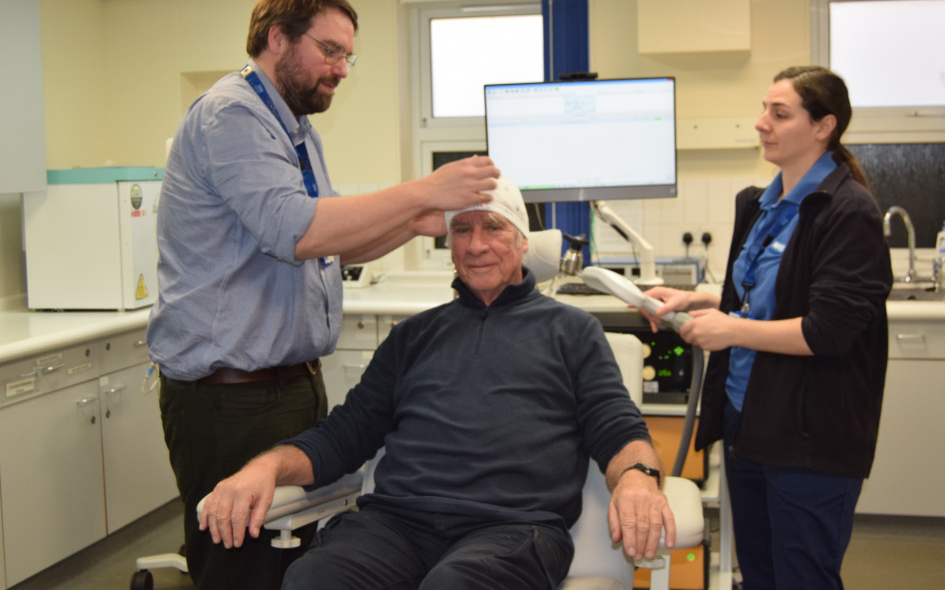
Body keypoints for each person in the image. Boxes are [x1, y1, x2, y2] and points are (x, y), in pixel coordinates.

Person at [147, 0, 499, 590]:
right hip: (229, 398)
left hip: (287, 389)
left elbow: (334, 241)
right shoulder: (232, 114)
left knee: (293, 561)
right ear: (276, 37)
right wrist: (423, 190)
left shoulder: (296, 131)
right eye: (330, 51)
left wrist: (419, 223)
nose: (340, 70)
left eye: (347, 57)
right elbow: (294, 230)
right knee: (242, 569)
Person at [198, 175, 677, 590]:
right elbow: (344, 435)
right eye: (461, 230)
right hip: (396, 525)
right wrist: (264, 468)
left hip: (512, 531)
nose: (475, 244)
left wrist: (639, 479)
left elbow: (617, 428)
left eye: (493, 227)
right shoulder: (414, 336)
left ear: (522, 240)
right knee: (312, 578)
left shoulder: (573, 332)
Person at [643, 66, 892, 589]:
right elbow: (767, 297)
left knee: (802, 577)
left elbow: (827, 331)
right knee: (758, 574)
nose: (762, 123)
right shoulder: (762, 204)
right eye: (763, 109)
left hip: (810, 436)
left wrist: (730, 330)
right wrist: (701, 299)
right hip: (749, 420)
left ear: (824, 126)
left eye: (779, 114)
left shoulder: (847, 211)